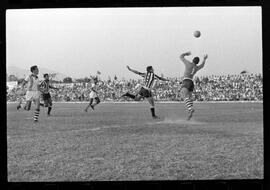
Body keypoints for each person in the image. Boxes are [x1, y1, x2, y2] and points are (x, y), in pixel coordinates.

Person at [179, 51, 208, 120]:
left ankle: (190, 109)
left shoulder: (188, 63)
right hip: (191, 83)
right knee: (189, 97)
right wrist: (204, 59)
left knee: (184, 95)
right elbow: (202, 65)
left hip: (186, 80)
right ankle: (190, 111)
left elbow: (181, 56)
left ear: (192, 60)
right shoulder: (196, 67)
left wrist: (186, 54)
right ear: (197, 62)